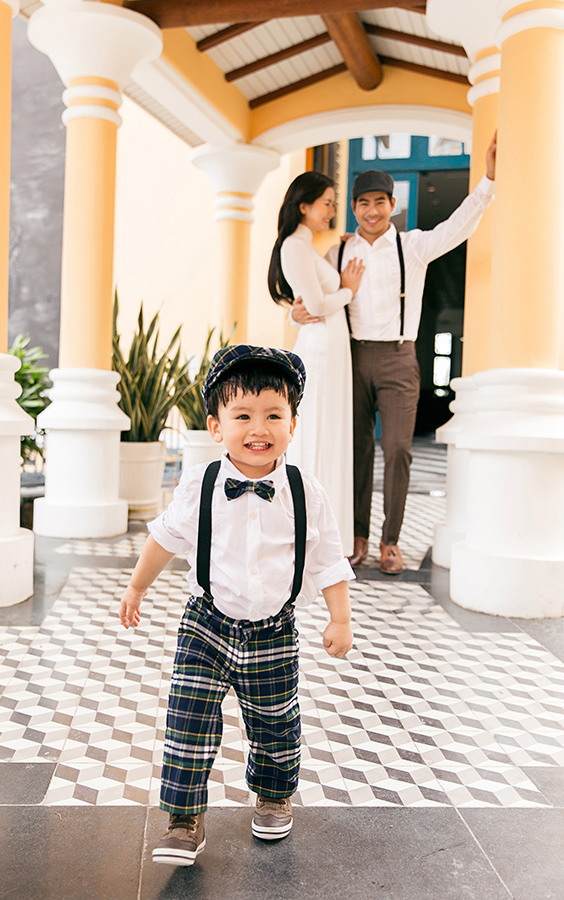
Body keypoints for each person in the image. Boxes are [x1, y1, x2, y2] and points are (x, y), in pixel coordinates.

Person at [119, 345, 354, 866]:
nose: (259, 428)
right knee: (188, 718)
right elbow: (163, 538)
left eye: (274, 415)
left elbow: (328, 560)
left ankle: (273, 796)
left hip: (274, 630)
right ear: (216, 426)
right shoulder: (199, 483)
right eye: (242, 415)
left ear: (293, 424)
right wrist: (137, 587)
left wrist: (340, 618)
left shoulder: (305, 491)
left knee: (275, 722)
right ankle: (184, 818)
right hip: (206, 623)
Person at [292, 134, 497, 574]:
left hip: (400, 358)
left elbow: (457, 227)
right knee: (357, 449)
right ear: (353, 208)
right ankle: (357, 537)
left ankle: (391, 541)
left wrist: (488, 182)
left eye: (379, 202)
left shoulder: (414, 246)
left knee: (399, 448)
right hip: (351, 358)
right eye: (363, 203)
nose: (372, 211)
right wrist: (296, 310)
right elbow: (311, 293)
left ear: (392, 204)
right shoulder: (337, 251)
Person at [268, 172, 364, 557]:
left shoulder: (308, 247)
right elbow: (317, 304)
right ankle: (307, 530)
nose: (332, 211)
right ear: (304, 206)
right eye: (326, 203)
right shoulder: (294, 246)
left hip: (331, 346)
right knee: (317, 430)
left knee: (329, 429)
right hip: (320, 349)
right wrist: (348, 290)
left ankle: (325, 530)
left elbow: (312, 303)